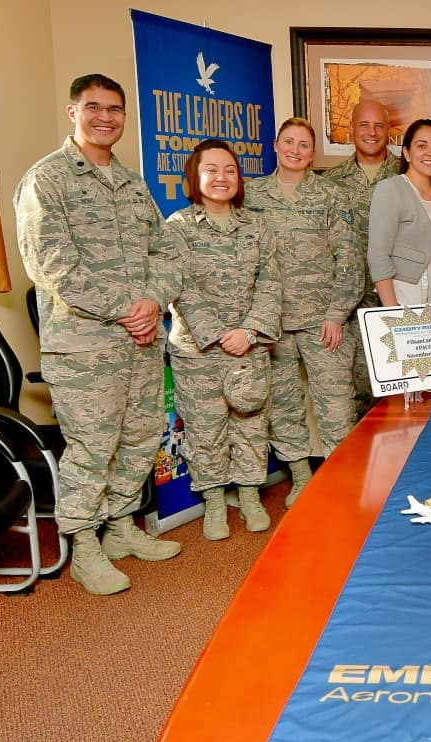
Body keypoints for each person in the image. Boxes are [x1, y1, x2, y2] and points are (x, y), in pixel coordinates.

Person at [13, 73, 181, 595]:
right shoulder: (48, 180)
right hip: (86, 345)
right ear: (73, 112)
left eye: (114, 109)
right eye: (93, 107)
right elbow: (50, 263)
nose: (105, 117)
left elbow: (166, 252)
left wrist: (152, 301)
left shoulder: (132, 184)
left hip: (140, 342)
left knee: (137, 439)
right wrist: (125, 309)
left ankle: (121, 529)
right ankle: (84, 547)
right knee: (91, 446)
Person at [166, 139, 282, 541]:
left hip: (250, 345)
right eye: (211, 170)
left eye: (230, 170)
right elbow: (180, 288)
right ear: (194, 179)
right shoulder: (177, 228)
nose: (221, 178)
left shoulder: (258, 226)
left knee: (250, 423)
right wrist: (217, 335)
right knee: (205, 428)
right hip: (198, 351)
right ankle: (214, 502)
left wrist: (249, 332)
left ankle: (249, 497)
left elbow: (271, 283)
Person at [245, 118, 361, 507]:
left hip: (322, 320)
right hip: (271, 322)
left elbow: (349, 258)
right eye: (289, 141)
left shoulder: (329, 196)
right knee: (283, 404)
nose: (295, 149)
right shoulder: (252, 194)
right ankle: (299, 477)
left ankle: (338, 477)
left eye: (304, 144)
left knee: (336, 403)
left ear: (314, 153)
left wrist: (336, 313)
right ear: (275, 145)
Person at [324, 100, 401, 417]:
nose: (371, 133)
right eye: (364, 125)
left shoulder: (406, 174)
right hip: (350, 308)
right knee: (355, 395)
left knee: (400, 392)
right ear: (351, 130)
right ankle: (363, 465)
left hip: (397, 300)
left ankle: (399, 465)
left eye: (379, 125)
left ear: (389, 131)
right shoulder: (330, 181)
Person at [367, 118, 431, 307]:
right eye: (421, 145)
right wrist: (392, 312)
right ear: (407, 153)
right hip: (404, 306)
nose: (430, 152)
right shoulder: (391, 189)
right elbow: (378, 257)